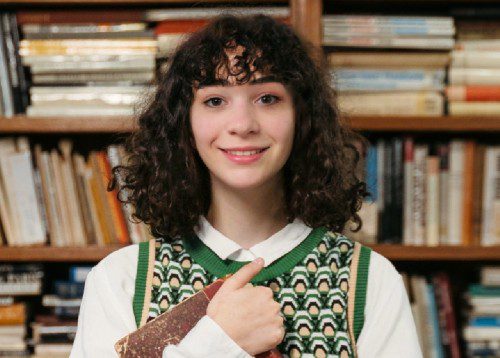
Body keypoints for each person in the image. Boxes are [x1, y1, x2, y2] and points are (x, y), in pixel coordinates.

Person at [70, 14, 421, 358]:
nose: (242, 124)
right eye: (215, 101)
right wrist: (218, 343)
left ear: (302, 119)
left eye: (267, 98)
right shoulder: (122, 279)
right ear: (184, 125)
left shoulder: (370, 280)